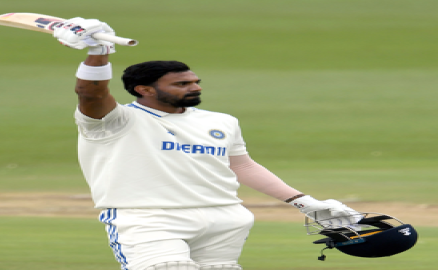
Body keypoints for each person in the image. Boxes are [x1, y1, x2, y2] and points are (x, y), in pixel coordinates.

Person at [53, 18, 361, 270]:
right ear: (143, 89)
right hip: (151, 218)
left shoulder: (220, 121)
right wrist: (98, 52)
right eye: (182, 84)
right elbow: (90, 94)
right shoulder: (114, 121)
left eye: (195, 81)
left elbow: (242, 165)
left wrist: (305, 203)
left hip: (224, 218)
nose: (194, 87)